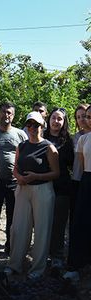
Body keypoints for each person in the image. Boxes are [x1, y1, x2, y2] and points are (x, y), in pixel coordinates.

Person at [4, 112, 59, 280]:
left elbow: (56, 173)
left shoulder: (49, 147)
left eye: (36, 125)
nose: (32, 128)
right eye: (29, 125)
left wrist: (36, 176)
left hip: (42, 190)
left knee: (42, 230)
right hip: (23, 189)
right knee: (19, 229)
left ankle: (37, 269)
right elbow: (15, 167)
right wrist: (19, 178)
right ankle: (14, 265)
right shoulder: (22, 145)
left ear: (42, 127)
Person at [0, 102, 28, 257]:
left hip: (14, 181)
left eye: (10, 113)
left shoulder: (20, 134)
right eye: (4, 112)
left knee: (13, 216)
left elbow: (27, 156)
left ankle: (10, 246)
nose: (6, 115)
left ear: (14, 115)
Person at [43, 108, 73, 270]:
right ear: (49, 120)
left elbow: (73, 164)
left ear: (64, 122)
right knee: (42, 222)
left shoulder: (68, 141)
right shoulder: (42, 137)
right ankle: (42, 254)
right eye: (53, 118)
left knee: (59, 224)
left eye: (59, 119)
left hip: (61, 187)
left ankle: (57, 256)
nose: (56, 121)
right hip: (42, 186)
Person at [64, 105, 91, 282]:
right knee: (81, 224)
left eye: (90, 116)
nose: (88, 119)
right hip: (87, 183)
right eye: (87, 116)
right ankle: (77, 265)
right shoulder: (83, 139)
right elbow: (81, 168)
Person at [69, 103, 90, 253]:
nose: (82, 119)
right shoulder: (76, 138)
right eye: (79, 117)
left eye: (85, 116)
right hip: (78, 180)